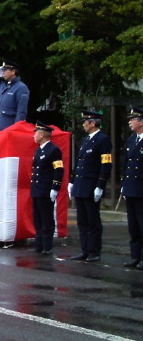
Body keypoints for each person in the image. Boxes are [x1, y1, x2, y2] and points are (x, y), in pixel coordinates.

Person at [69, 109, 112, 262]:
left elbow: (106, 164)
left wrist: (100, 185)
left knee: (92, 220)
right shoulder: (86, 139)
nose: (83, 125)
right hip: (81, 185)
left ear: (92, 123)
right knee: (82, 221)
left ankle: (94, 251)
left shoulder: (102, 140)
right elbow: (79, 161)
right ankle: (85, 249)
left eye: (85, 122)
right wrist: (72, 181)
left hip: (91, 185)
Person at [30, 122, 64, 255]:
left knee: (46, 219)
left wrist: (55, 187)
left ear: (42, 134)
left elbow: (58, 169)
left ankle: (47, 245)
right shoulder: (39, 150)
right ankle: (39, 244)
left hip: (45, 189)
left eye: (36, 133)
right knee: (37, 219)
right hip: (37, 189)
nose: (34, 136)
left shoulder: (53, 150)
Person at [121, 106, 143, 269]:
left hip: (141, 188)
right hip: (131, 187)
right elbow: (126, 164)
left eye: (133, 119)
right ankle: (135, 256)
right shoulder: (131, 140)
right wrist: (123, 185)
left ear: (141, 122)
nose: (130, 122)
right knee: (133, 226)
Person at [0, 60, 30, 131]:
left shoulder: (21, 88)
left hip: (9, 128)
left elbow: (21, 111)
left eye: (5, 70)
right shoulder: (3, 86)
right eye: (2, 70)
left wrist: (16, 128)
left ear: (13, 72)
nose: (3, 72)